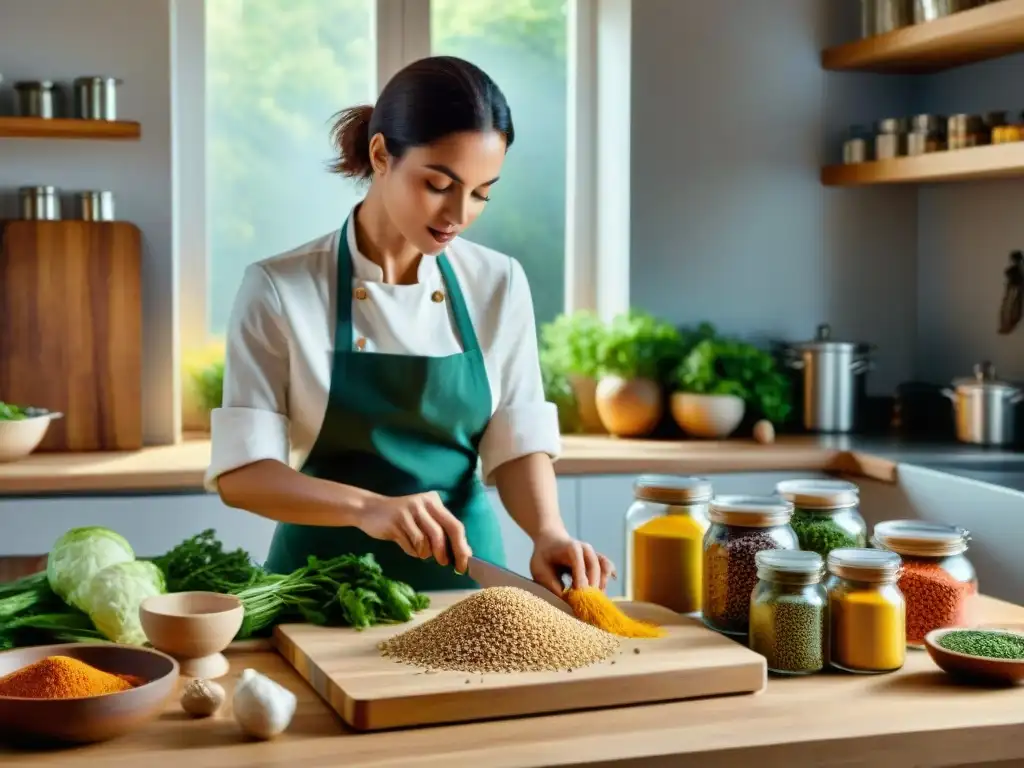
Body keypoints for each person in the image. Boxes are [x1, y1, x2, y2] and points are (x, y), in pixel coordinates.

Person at [204, 55, 615, 597]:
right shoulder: (281, 289)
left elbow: (515, 436)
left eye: (481, 192)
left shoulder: (499, 282)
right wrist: (368, 509)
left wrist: (548, 531)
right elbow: (243, 473)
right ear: (381, 154)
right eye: (439, 183)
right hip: (320, 592)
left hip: (467, 591)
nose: (459, 214)